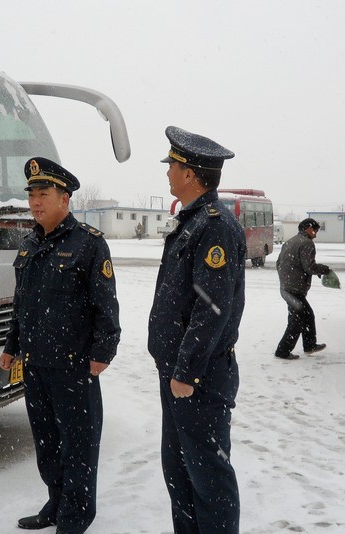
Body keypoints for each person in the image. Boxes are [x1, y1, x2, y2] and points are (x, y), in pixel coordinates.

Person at [0, 157, 120, 533]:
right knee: (48, 444)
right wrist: (11, 345)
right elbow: (22, 304)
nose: (36, 202)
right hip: (35, 366)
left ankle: (76, 516)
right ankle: (56, 502)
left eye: (44, 194)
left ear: (64, 198)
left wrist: (103, 351)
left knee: (78, 446)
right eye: (32, 195)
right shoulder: (30, 244)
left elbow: (106, 305)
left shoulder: (88, 243)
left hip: (73, 366)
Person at [148, 126, 245, 533]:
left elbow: (212, 309)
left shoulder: (214, 225)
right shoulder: (190, 221)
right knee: (179, 470)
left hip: (198, 375)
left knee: (208, 476)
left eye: (172, 165)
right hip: (177, 372)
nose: (167, 171)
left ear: (189, 174)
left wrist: (186, 371)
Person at [274, 217, 330, 360]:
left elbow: (278, 263)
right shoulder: (307, 243)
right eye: (315, 231)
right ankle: (283, 351)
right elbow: (309, 267)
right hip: (294, 289)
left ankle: (309, 345)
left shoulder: (289, 242)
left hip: (286, 287)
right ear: (308, 228)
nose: (315, 235)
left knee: (307, 315)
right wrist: (325, 270)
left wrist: (288, 277)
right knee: (297, 320)